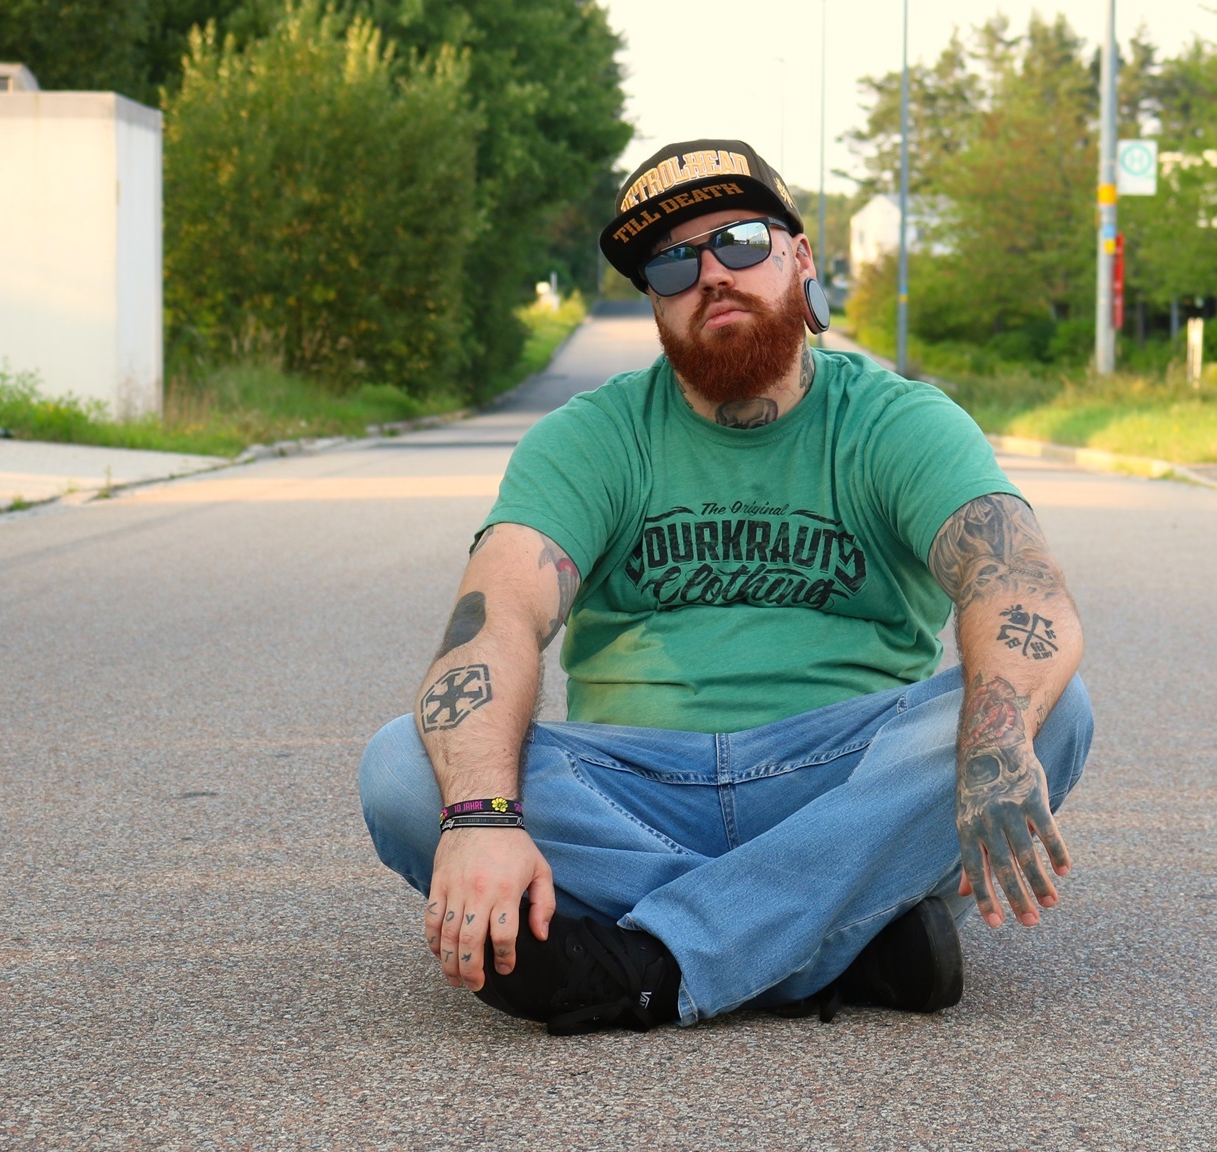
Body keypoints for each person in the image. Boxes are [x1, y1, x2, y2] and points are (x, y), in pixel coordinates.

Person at [358, 139, 1092, 1035]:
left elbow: (1015, 584)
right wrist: (481, 817)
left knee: (1048, 710)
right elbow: (497, 613)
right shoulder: (592, 439)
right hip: (632, 786)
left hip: (841, 786)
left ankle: (648, 968)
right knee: (404, 770)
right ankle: (835, 944)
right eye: (673, 264)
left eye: (740, 241)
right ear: (654, 300)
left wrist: (993, 743)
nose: (710, 274)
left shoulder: (897, 424)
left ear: (800, 257)